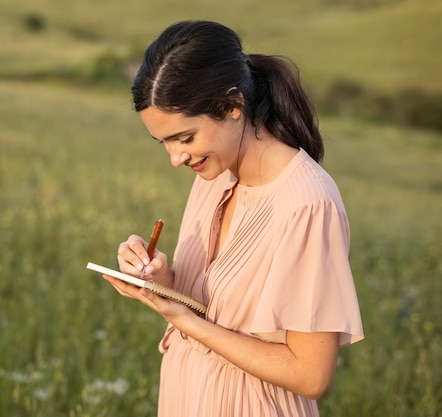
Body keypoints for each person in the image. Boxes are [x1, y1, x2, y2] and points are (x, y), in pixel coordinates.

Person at [102, 20, 364, 416]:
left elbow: (311, 375)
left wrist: (182, 320)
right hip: (186, 397)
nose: (176, 159)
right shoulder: (214, 173)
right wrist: (161, 284)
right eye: (165, 143)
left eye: (185, 138)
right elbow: (213, 308)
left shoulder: (308, 204)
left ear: (232, 105)